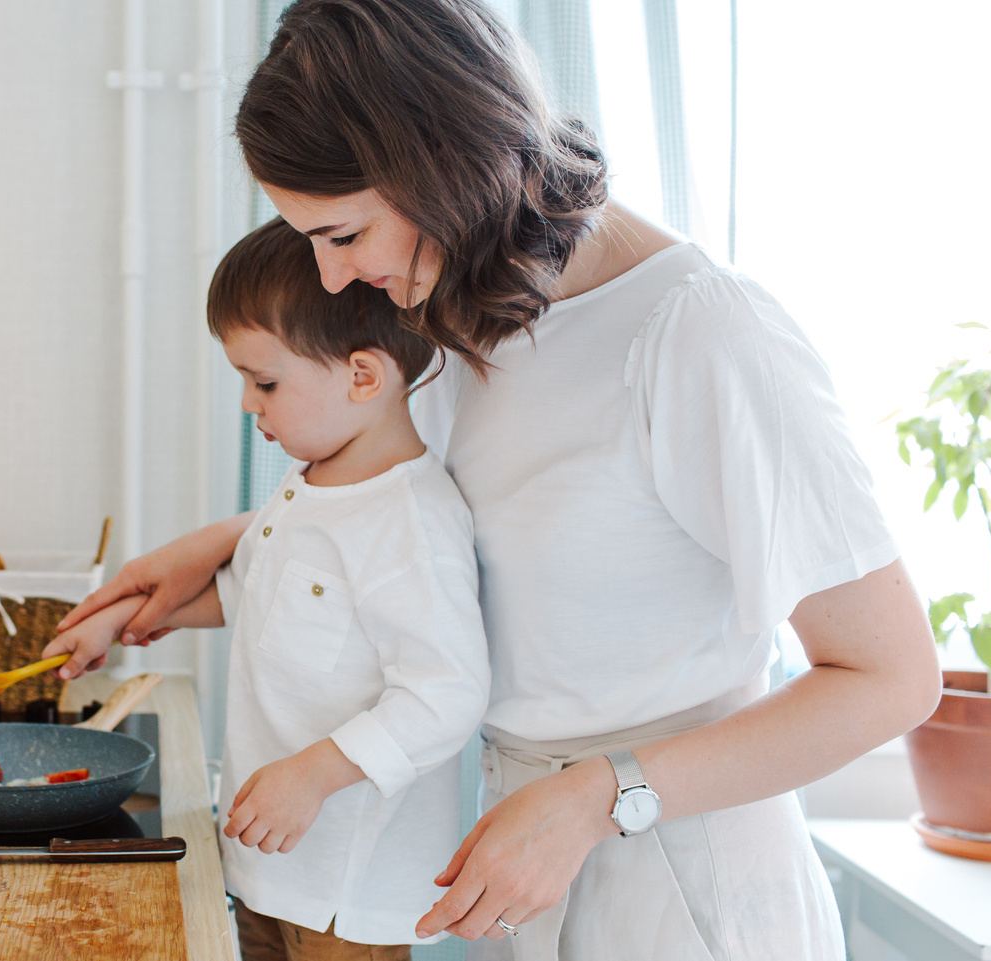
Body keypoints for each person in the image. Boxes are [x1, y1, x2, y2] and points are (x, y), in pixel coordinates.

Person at [57, 1, 943, 958]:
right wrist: (216, 553)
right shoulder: (455, 317)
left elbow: (890, 679)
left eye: (344, 234)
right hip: (518, 861)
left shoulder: (702, 335)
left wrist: (601, 795)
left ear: (441, 167)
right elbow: (439, 546)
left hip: (682, 884)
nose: (332, 275)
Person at [47, 218, 490, 960]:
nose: (251, 405)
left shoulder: (409, 523)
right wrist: (119, 619)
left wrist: (314, 774)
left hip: (345, 894)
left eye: (266, 382)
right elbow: (251, 592)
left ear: (362, 376)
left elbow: (447, 692)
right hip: (269, 866)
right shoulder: (310, 483)